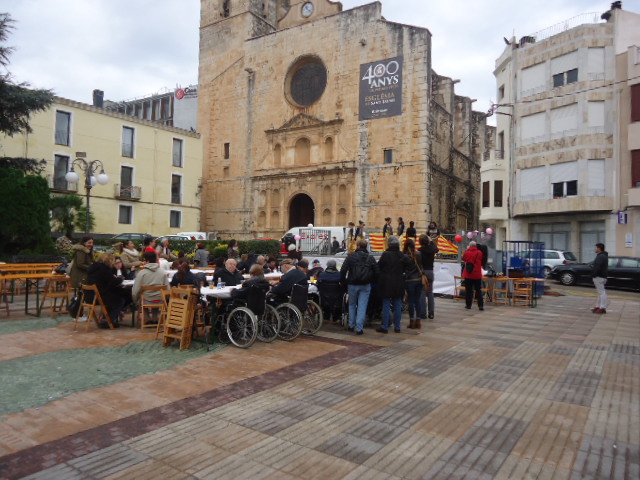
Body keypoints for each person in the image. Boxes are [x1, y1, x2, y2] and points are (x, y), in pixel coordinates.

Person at [340, 239, 378, 335]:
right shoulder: (370, 258)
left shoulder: (350, 256)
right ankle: (359, 328)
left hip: (352, 284)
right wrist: (372, 281)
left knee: (352, 304)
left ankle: (351, 325)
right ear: (366, 246)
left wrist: (344, 282)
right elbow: (377, 272)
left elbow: (343, 270)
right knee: (362, 306)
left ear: (357, 246)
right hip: (365, 285)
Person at [377, 236, 411, 333]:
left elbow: (379, 266)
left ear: (389, 244)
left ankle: (385, 326)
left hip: (386, 282)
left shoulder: (385, 254)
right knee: (398, 304)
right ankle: (397, 327)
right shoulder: (401, 255)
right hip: (399, 282)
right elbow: (408, 267)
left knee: (386, 304)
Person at [87, 252, 125, 328]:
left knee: (113, 297)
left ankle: (106, 318)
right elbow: (114, 281)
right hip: (98, 297)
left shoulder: (94, 267)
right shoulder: (104, 269)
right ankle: (108, 320)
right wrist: (120, 278)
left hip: (89, 296)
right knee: (120, 300)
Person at [402, 238, 422, 329]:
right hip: (418, 279)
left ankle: (411, 322)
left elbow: (403, 269)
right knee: (417, 300)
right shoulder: (418, 254)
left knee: (411, 301)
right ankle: (418, 321)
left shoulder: (405, 256)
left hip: (409, 280)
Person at [418, 234, 439, 320]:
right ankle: (431, 313)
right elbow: (436, 249)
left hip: (423, 272)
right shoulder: (432, 249)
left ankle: (423, 313)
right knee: (430, 292)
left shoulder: (420, 250)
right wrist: (431, 241)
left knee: (422, 292)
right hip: (430, 271)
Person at [462, 240, 484, 311]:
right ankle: (480, 305)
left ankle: (468, 305)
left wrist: (467, 250)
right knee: (478, 290)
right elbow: (481, 259)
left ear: (470, 246)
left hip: (468, 274)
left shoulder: (467, 252)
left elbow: (464, 258)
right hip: (477, 274)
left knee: (468, 290)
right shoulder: (479, 252)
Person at [592, 243, 608, 314]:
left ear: (599, 248)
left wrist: (594, 274)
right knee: (600, 292)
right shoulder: (603, 255)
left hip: (599, 277)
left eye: (596, 248)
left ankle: (602, 308)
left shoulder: (601, 256)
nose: (595, 249)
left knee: (602, 293)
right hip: (602, 276)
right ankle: (598, 307)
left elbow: (598, 266)